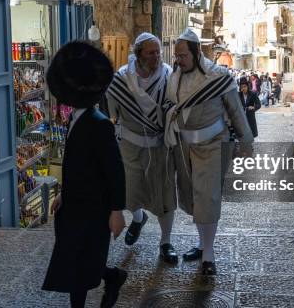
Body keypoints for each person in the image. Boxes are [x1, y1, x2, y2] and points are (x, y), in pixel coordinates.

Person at [42, 41, 127, 308]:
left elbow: (115, 170)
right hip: (74, 205)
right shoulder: (76, 118)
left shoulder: (99, 124)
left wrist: (116, 211)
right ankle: (112, 276)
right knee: (76, 260)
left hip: (93, 208)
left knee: (79, 263)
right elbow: (74, 164)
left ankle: (105, 282)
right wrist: (62, 195)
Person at [164, 29, 254, 275]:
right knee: (194, 197)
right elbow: (172, 105)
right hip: (184, 146)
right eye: (177, 55)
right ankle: (202, 244)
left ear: (195, 52)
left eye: (183, 55)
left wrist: (246, 142)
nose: (179, 60)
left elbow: (236, 110)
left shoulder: (219, 76)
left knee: (208, 197)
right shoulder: (176, 77)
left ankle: (208, 255)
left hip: (213, 144)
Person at [106, 33, 178, 263]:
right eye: (151, 52)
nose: (156, 56)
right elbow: (112, 111)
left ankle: (165, 242)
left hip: (160, 146)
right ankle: (138, 219)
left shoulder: (168, 75)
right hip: (130, 144)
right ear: (138, 55)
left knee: (165, 195)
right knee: (129, 193)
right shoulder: (121, 79)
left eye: (158, 52)